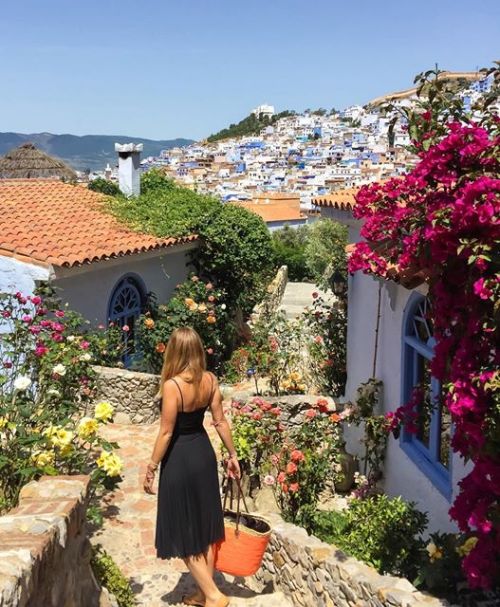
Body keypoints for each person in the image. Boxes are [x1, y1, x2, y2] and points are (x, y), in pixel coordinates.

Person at [143, 327, 240, 607]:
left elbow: (165, 433)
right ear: (197, 349)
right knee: (205, 528)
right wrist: (232, 455)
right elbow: (220, 421)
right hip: (203, 454)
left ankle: (213, 595)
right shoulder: (210, 380)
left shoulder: (172, 386)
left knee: (183, 530)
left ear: (174, 351)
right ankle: (202, 593)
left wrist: (151, 466)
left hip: (180, 460)